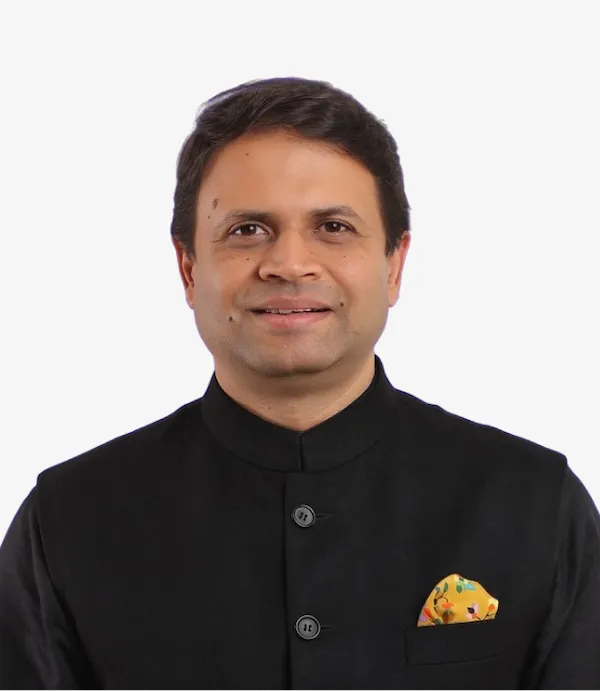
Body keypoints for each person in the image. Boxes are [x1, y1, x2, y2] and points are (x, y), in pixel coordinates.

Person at [1, 76, 598, 691]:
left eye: (333, 227)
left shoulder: (533, 502)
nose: (289, 264)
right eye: (248, 230)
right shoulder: (69, 518)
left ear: (394, 265)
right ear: (188, 268)